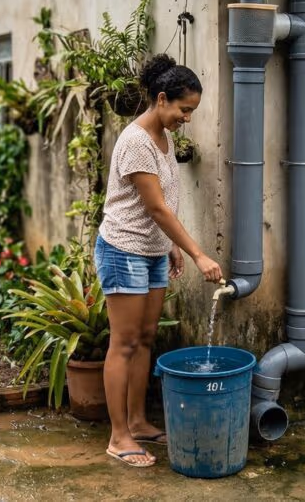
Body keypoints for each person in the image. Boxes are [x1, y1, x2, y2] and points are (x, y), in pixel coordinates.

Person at [94, 54, 224, 468]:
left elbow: (161, 202)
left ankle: (137, 420)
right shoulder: (135, 141)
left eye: (192, 112)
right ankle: (118, 437)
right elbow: (156, 210)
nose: (187, 118)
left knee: (146, 338)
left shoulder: (163, 139)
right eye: (184, 110)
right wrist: (197, 252)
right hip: (123, 250)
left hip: (150, 252)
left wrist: (167, 246)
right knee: (125, 342)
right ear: (163, 98)